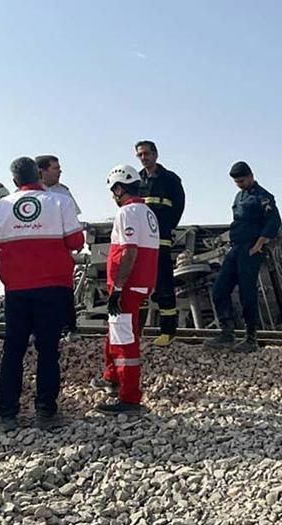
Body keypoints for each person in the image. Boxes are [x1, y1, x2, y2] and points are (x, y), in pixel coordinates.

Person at [0, 157, 84, 430]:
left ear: (14, 181)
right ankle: (46, 411)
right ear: (39, 176)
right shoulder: (61, 202)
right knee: (47, 349)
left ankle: (7, 413)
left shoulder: (0, 207)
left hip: (16, 290)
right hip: (52, 288)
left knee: (13, 349)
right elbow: (76, 242)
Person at [91, 165, 159, 414]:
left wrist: (118, 288)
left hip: (128, 285)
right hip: (140, 282)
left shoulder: (127, 213)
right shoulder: (148, 212)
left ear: (119, 188)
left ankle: (129, 397)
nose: (112, 196)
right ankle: (112, 378)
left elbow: (129, 252)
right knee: (117, 331)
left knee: (124, 340)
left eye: (113, 191)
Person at [205, 162, 281, 352]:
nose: (239, 184)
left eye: (242, 180)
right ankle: (227, 333)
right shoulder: (239, 196)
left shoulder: (263, 196)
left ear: (251, 175)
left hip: (250, 248)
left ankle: (250, 338)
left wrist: (258, 245)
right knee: (220, 289)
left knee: (248, 293)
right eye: (236, 182)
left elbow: (274, 221)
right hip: (236, 247)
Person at [135, 140, 184, 347]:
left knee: (164, 284)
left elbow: (179, 205)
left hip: (161, 238)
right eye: (140, 155)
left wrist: (166, 226)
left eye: (146, 153)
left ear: (155, 154)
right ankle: (137, 330)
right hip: (141, 240)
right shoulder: (136, 180)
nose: (144, 158)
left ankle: (168, 331)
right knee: (139, 286)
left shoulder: (170, 179)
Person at [35, 155, 82, 340]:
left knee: (63, 290)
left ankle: (69, 327)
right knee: (37, 293)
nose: (59, 171)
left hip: (59, 250)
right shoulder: (27, 194)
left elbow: (73, 220)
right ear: (41, 171)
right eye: (55, 168)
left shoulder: (63, 193)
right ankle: (36, 329)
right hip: (36, 252)